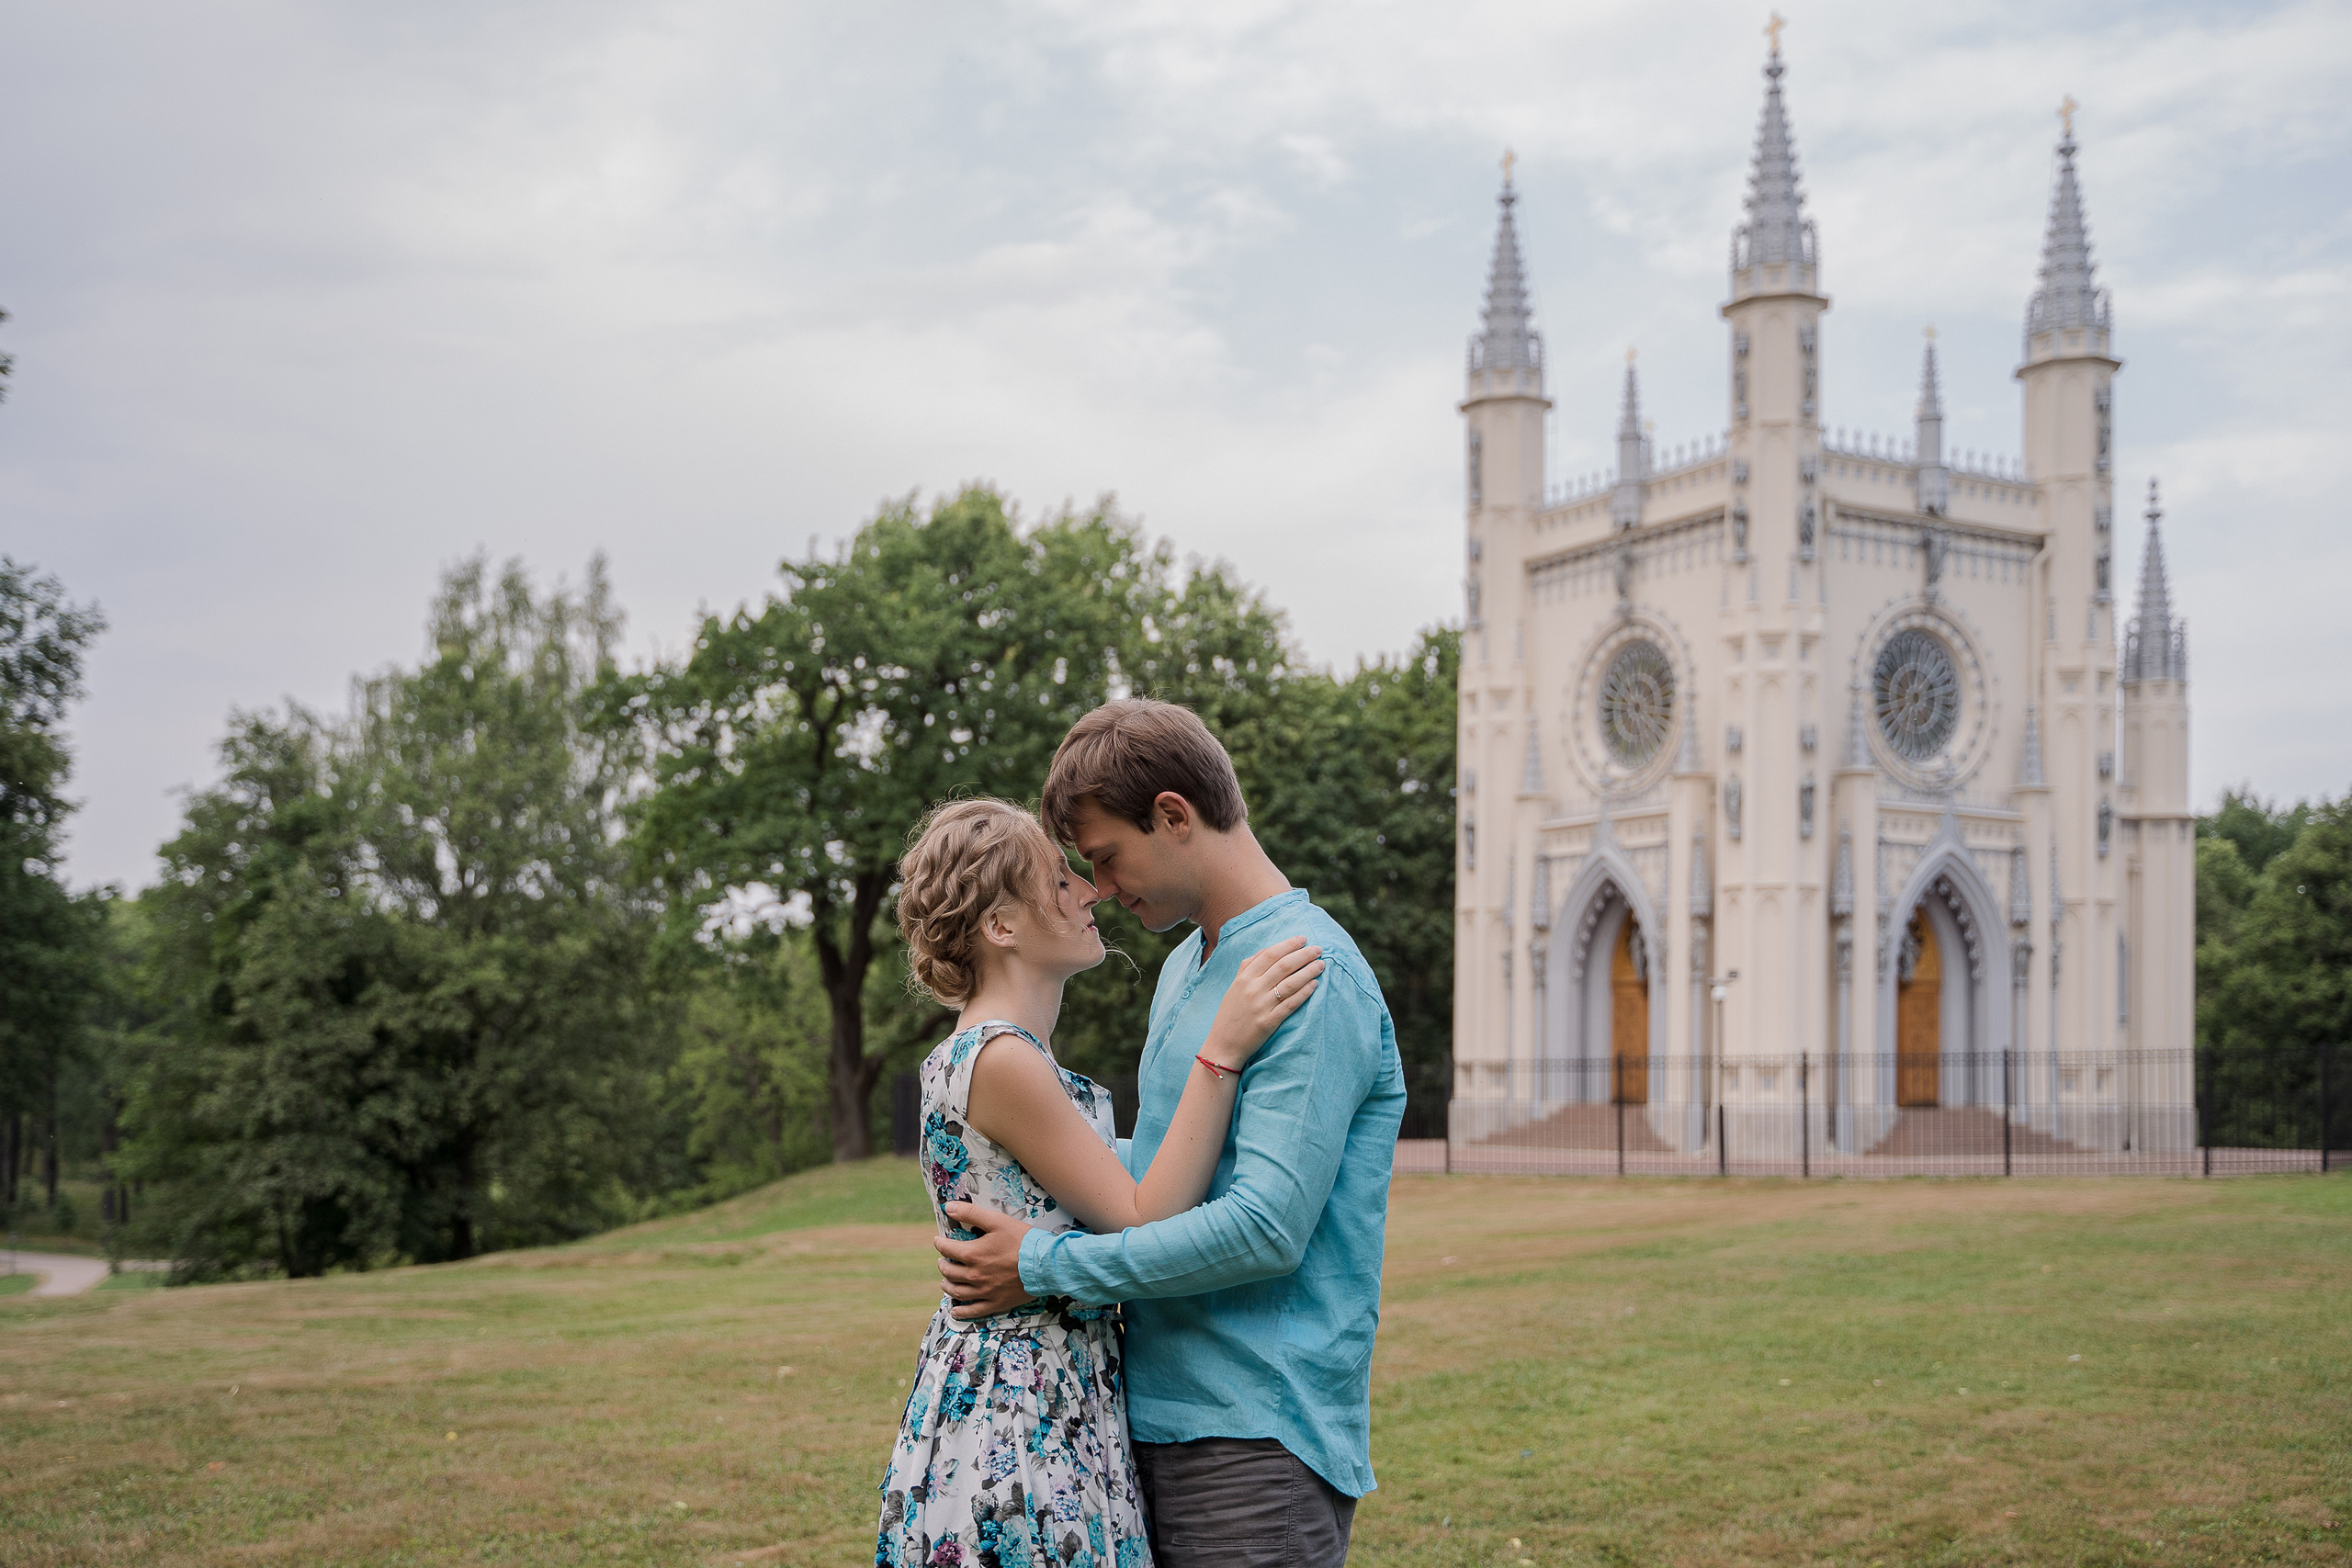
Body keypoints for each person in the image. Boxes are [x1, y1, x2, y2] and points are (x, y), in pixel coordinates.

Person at [935, 699, 1407, 1567]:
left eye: (1108, 857)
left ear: (1174, 815)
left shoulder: (1309, 971)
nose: (1102, 889)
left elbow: (1265, 1228)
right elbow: (1154, 1175)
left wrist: (1040, 1264)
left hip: (1254, 1436)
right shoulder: (1188, 965)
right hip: (1135, 1420)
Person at [877, 795, 1328, 1568]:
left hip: (1053, 1385)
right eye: (1059, 881)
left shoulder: (1010, 1057)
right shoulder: (1001, 1058)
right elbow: (1142, 1212)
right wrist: (1223, 1049)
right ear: (1001, 926)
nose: (1091, 892)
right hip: (1023, 1410)